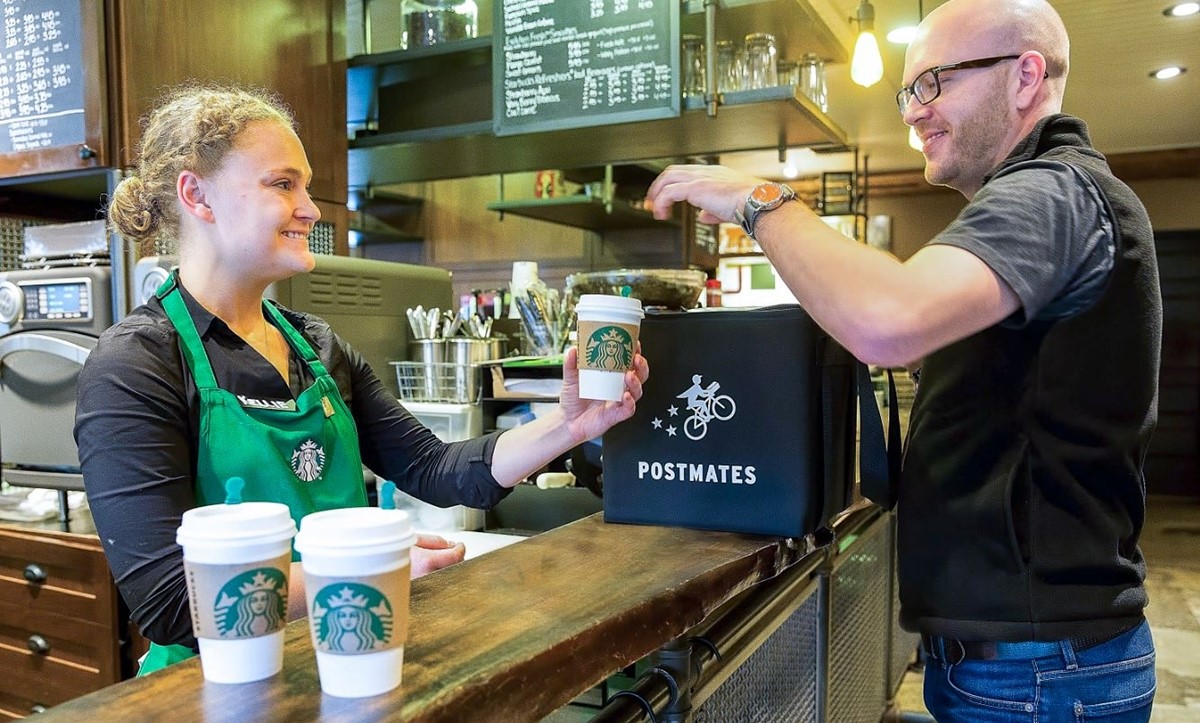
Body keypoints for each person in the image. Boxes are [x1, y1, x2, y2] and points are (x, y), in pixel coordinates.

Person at [644, 0, 1160, 719]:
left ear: (1025, 77)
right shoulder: (1044, 198)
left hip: (1040, 673)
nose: (914, 112)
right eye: (908, 91)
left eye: (934, 82)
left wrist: (761, 202)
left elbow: (885, 322)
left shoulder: (1052, 193)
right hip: (1032, 663)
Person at [74, 83, 648, 675]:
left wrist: (571, 422)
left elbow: (437, 470)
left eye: (306, 185)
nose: (311, 208)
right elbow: (172, 600)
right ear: (197, 194)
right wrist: (367, 568)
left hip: (343, 666)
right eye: (282, 184)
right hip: (206, 691)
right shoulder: (136, 366)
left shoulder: (319, 348)